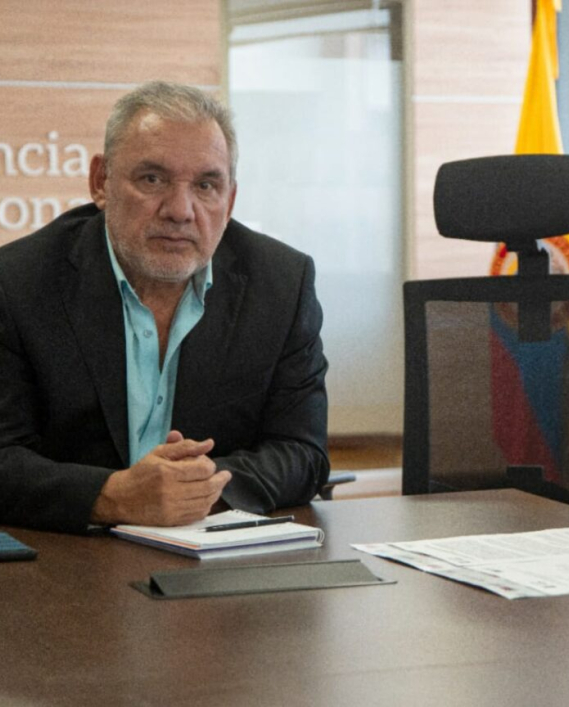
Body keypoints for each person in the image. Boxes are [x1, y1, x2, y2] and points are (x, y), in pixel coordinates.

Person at [0, 81, 329, 533]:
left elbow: (302, 451)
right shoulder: (17, 284)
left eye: (206, 185)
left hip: (213, 565)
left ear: (230, 201)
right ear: (101, 182)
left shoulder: (282, 285)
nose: (180, 210)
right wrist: (113, 495)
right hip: (67, 565)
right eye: (152, 179)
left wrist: (195, 489)